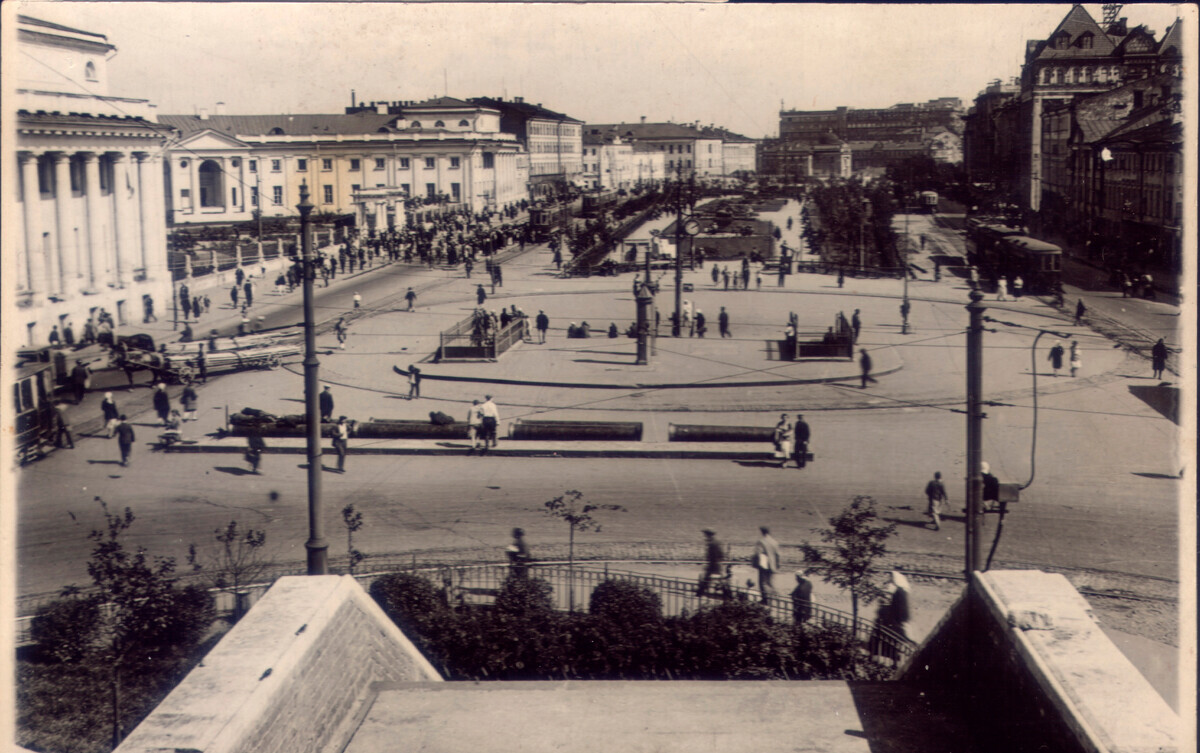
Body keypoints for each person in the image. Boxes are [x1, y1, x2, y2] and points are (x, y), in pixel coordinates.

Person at [870, 572, 912, 662]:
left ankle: (890, 656)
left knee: (891, 636)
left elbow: (901, 609)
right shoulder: (900, 591)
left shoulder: (900, 593)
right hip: (896, 619)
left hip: (896, 620)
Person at [752, 527, 782, 602]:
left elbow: (758, 553)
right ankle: (774, 597)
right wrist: (778, 564)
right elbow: (778, 555)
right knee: (770, 582)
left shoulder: (761, 542)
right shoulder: (774, 542)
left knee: (763, 583)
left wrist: (755, 563)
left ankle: (765, 599)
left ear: (762, 532)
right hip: (773, 565)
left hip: (764, 565)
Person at [696, 529, 724, 598]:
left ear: (708, 535)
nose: (705, 536)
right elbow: (721, 554)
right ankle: (700, 592)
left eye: (706, 535)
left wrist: (710, 563)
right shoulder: (717, 542)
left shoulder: (712, 543)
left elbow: (711, 556)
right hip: (717, 564)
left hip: (713, 565)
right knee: (720, 580)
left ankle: (699, 593)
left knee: (706, 579)